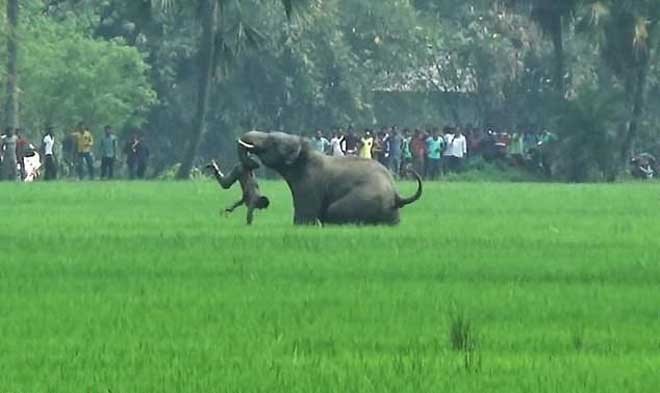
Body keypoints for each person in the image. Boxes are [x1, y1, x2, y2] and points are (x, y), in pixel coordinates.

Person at [205, 155, 269, 225]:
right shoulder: (254, 199)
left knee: (225, 184)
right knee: (225, 184)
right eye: (261, 207)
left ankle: (215, 168)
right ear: (260, 202)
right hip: (241, 170)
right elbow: (250, 212)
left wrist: (232, 208)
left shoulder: (254, 194)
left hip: (243, 169)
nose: (260, 209)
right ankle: (215, 168)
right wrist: (249, 224)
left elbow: (242, 201)